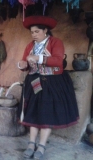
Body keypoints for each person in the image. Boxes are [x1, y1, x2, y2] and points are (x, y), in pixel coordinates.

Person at [17, 16, 79, 160]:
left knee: (46, 114)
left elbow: (58, 61)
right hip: (34, 82)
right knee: (32, 112)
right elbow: (26, 63)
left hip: (51, 83)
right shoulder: (29, 46)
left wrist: (38, 58)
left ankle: (42, 145)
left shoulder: (56, 42)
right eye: (32, 32)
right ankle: (31, 144)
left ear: (46, 31)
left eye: (37, 31)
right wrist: (22, 65)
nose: (33, 35)